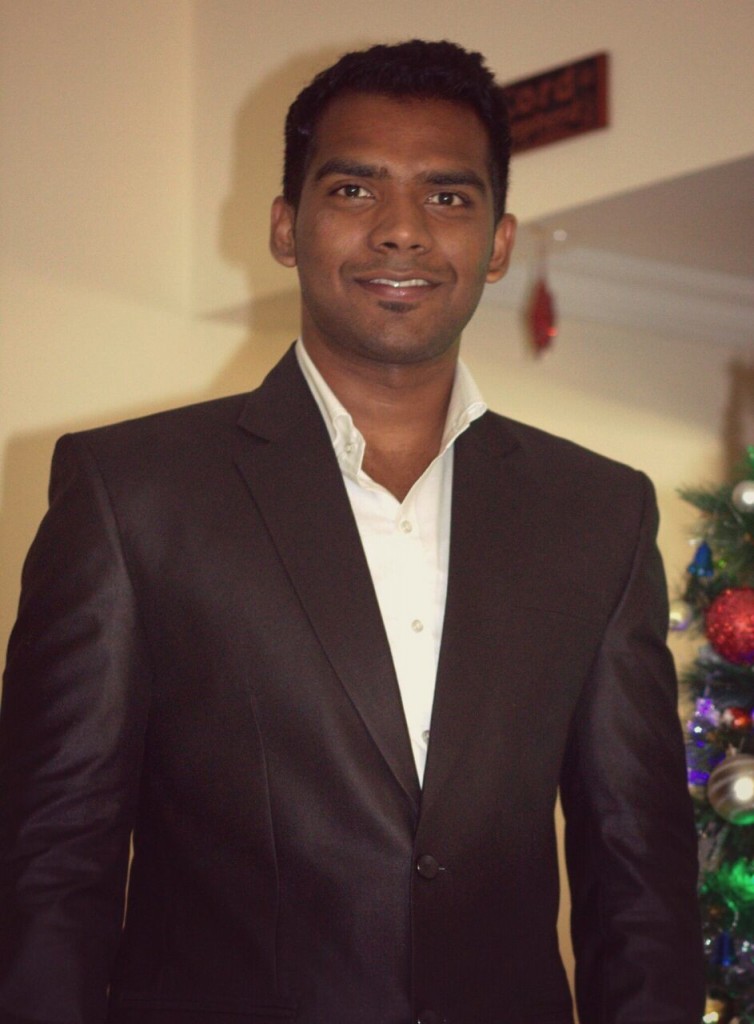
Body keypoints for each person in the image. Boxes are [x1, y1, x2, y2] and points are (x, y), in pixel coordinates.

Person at [0, 39, 704, 1024]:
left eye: (448, 196)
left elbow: (639, 879)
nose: (402, 230)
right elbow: (51, 866)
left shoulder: (599, 512)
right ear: (286, 227)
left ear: (499, 242)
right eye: (354, 189)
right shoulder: (133, 493)